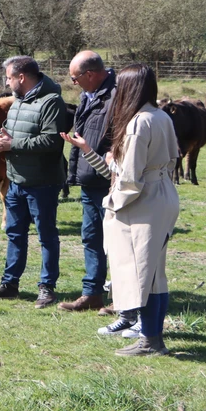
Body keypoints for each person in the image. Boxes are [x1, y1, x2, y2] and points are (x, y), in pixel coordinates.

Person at [102, 64, 178, 356]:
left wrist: (111, 202)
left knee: (139, 274)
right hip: (163, 195)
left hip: (143, 202)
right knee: (155, 274)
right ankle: (153, 338)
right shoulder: (160, 116)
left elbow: (131, 180)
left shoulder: (137, 123)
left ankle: (149, 340)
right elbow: (171, 157)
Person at [0, 56, 67, 308]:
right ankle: (10, 284)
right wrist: (2, 138)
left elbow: (52, 142)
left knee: (46, 236)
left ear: (21, 77)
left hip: (42, 182)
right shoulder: (18, 101)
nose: (7, 83)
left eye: (9, 78)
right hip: (16, 180)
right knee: (14, 233)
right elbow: (10, 129)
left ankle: (47, 287)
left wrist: (12, 144)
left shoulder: (52, 102)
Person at [60, 131, 140, 337]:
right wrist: (86, 148)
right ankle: (96, 296)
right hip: (99, 189)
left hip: (122, 201)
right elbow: (107, 171)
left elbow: (110, 172)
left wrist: (98, 154)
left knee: (119, 249)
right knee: (93, 240)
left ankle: (123, 303)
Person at [59, 51, 116, 312]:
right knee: (91, 237)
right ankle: (91, 293)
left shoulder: (117, 96)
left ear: (89, 74)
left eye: (75, 77)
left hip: (112, 183)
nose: (73, 83)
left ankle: (121, 298)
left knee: (116, 242)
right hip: (89, 180)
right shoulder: (87, 96)